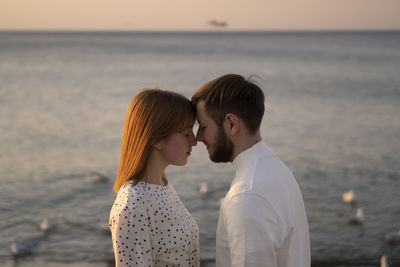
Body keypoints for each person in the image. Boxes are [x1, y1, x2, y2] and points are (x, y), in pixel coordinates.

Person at [192, 74, 310, 267]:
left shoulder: (247, 196)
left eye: (203, 126)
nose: (198, 137)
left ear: (231, 123)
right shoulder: (277, 170)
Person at [109, 89, 200, 267]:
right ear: (157, 140)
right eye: (186, 133)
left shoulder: (162, 187)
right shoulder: (133, 205)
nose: (195, 141)